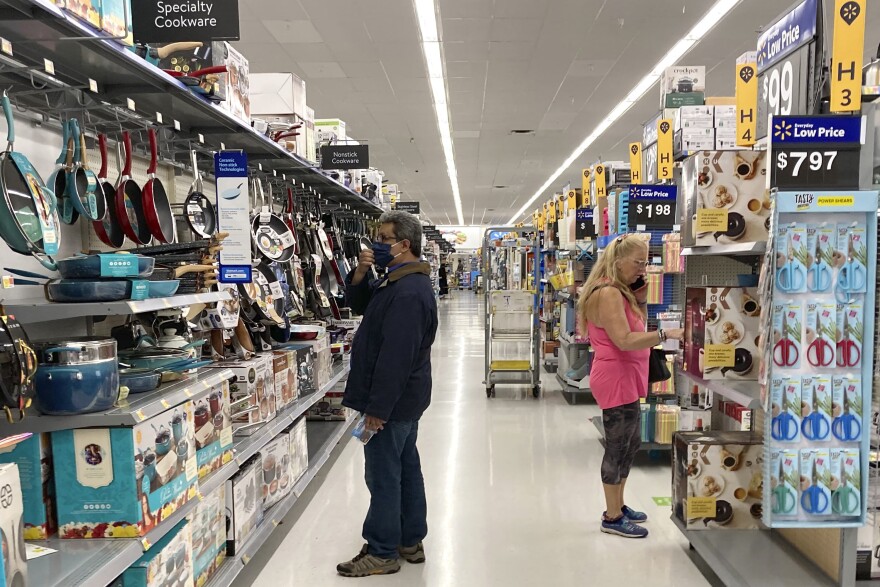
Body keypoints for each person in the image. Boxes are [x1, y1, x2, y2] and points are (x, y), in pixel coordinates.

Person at [337, 211, 439, 577]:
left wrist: (377, 408)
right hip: (404, 400)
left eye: (383, 238)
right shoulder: (397, 281)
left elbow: (396, 358)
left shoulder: (409, 293)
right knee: (406, 468)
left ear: (404, 244)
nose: (376, 245)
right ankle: (409, 539)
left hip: (392, 402)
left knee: (382, 475)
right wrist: (361, 274)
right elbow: (363, 308)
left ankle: (381, 551)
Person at [577, 234, 683, 539]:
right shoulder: (608, 293)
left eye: (646, 261)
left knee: (630, 443)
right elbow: (624, 340)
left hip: (626, 376)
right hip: (615, 377)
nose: (643, 268)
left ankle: (619, 506)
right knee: (617, 447)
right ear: (617, 260)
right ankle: (611, 516)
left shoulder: (619, 292)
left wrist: (639, 297)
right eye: (638, 262)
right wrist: (665, 334)